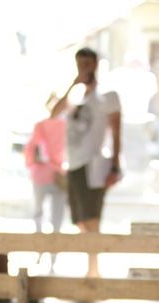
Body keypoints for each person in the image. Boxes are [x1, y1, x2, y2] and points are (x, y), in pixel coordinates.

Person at [50, 47, 122, 278]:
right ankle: (91, 266)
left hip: (95, 165)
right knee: (79, 219)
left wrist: (115, 165)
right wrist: (74, 83)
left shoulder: (107, 96)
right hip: (74, 164)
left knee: (92, 219)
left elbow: (117, 131)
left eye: (88, 64)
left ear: (96, 65)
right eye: (80, 64)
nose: (85, 69)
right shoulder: (75, 97)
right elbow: (53, 113)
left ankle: (94, 270)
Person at [24, 96, 67, 272]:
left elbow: (31, 150)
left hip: (48, 175)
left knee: (42, 216)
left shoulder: (45, 126)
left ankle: (43, 253)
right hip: (55, 175)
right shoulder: (62, 126)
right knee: (52, 218)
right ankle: (48, 256)